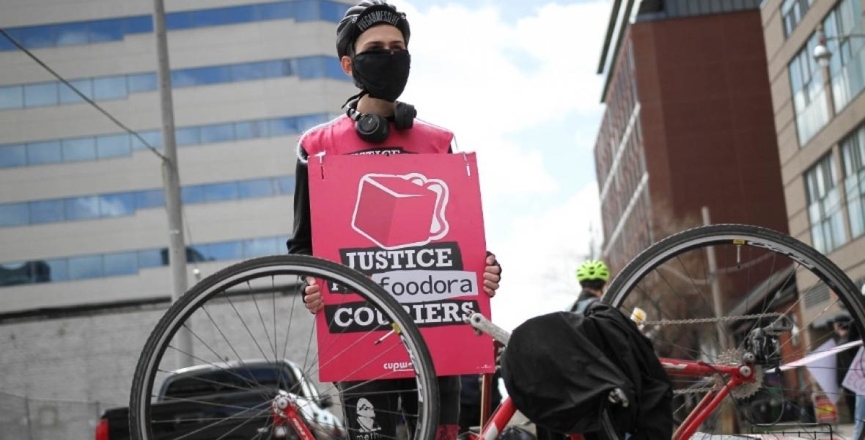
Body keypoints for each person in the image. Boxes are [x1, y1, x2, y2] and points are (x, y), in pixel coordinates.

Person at [284, 2, 502, 439]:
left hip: (436, 334)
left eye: (398, 47)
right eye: (375, 48)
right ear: (349, 63)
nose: (390, 55)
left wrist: (488, 268)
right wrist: (310, 286)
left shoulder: (439, 142)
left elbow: (462, 238)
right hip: (360, 338)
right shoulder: (317, 146)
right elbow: (302, 247)